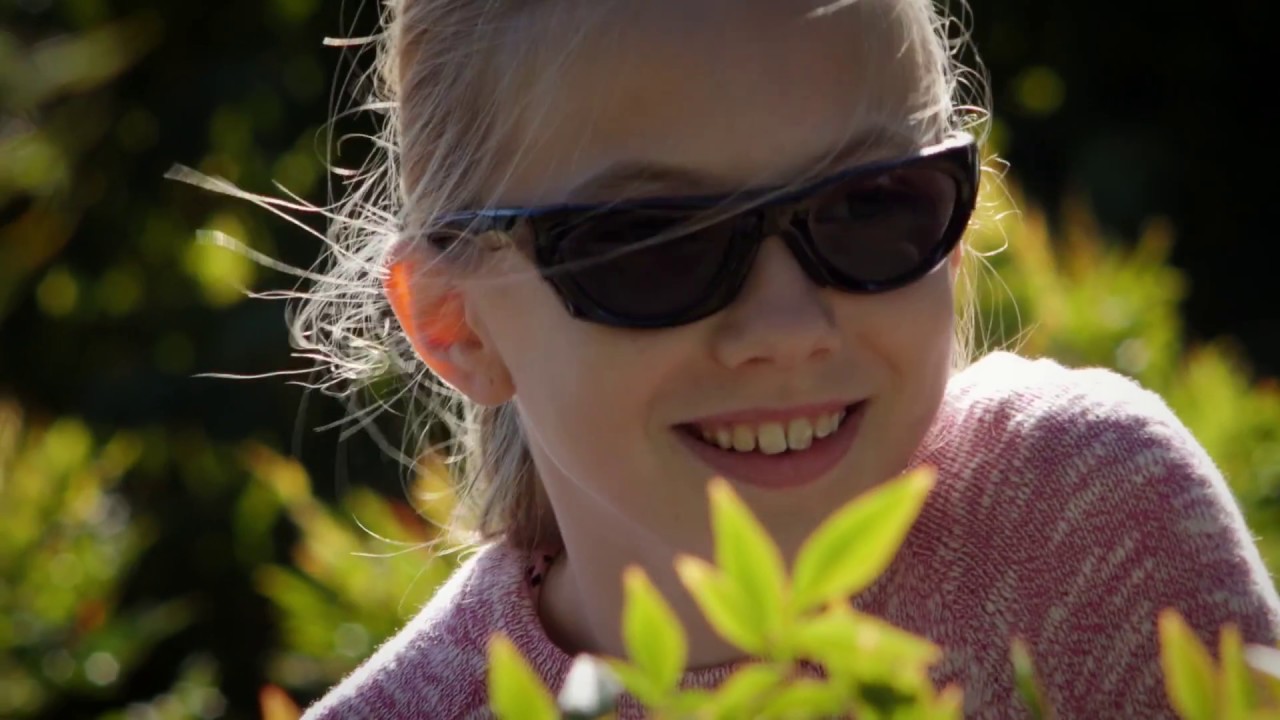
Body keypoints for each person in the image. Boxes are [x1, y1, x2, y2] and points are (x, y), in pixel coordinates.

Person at [294, 0, 1280, 716]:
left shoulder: (1081, 527)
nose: (786, 326)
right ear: (457, 323)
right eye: (655, 245)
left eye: (869, 207)